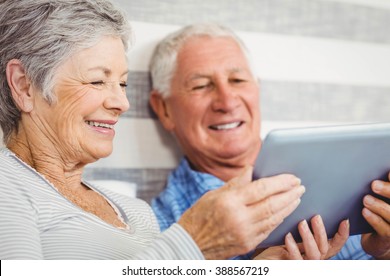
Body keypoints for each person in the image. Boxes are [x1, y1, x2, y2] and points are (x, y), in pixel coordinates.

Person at [0, 0, 309, 260]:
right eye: (97, 80)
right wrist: (194, 244)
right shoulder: (7, 184)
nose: (122, 103)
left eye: (122, 84)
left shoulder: (136, 212)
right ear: (25, 86)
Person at [149, 23, 390, 260]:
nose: (227, 101)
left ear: (257, 88)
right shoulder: (160, 233)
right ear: (164, 109)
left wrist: (383, 254)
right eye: (201, 85)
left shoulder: (351, 181)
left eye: (238, 80)